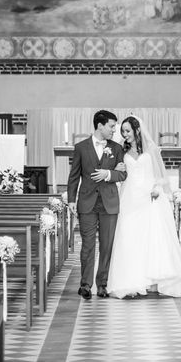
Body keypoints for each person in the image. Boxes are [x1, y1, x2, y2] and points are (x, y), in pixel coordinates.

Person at [107, 116, 181, 299]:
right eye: (123, 131)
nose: (125, 134)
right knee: (129, 235)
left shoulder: (151, 149)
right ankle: (130, 279)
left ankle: (150, 279)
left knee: (150, 236)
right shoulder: (121, 150)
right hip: (129, 197)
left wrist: (156, 188)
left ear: (137, 130)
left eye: (127, 131)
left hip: (148, 196)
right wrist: (119, 169)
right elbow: (119, 173)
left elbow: (162, 176)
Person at [67, 110, 127, 300]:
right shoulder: (81, 147)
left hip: (109, 203)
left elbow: (123, 174)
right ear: (100, 126)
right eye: (111, 126)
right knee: (87, 245)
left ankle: (102, 284)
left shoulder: (117, 148)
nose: (114, 130)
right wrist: (70, 200)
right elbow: (74, 176)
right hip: (87, 203)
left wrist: (108, 174)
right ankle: (85, 285)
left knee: (107, 245)